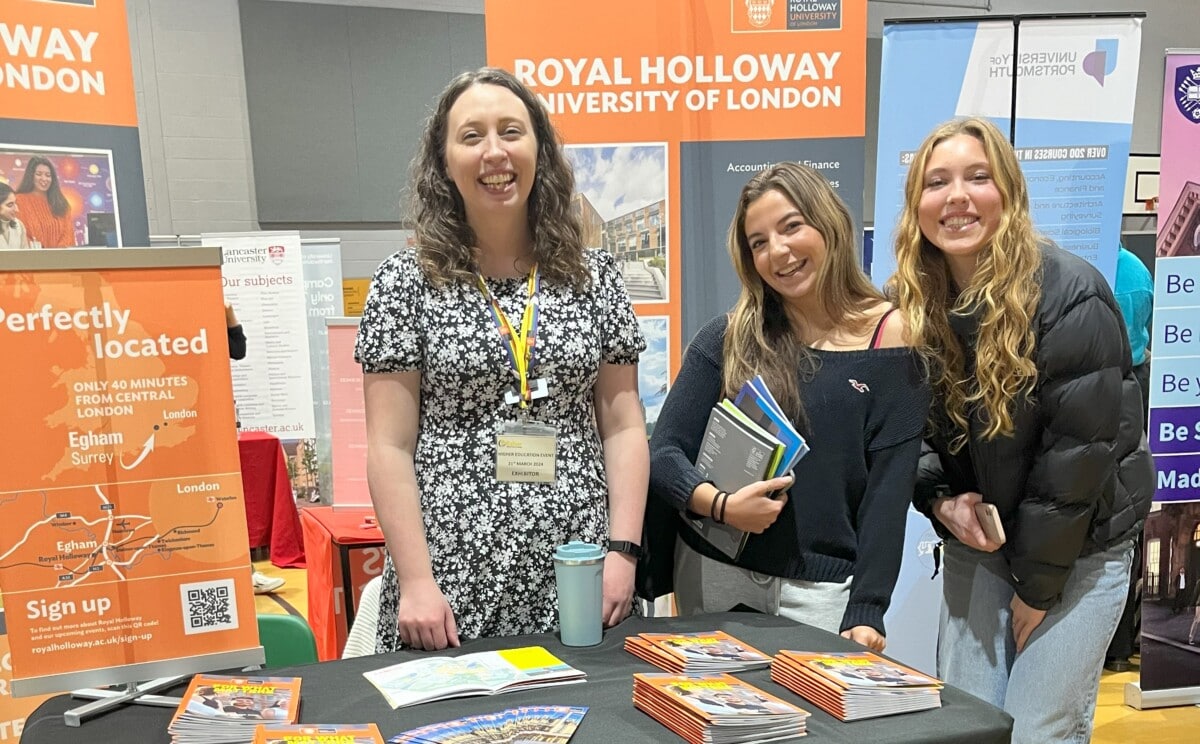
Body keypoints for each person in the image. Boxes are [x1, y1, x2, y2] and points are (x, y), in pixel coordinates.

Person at [354, 67, 648, 652]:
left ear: (539, 147)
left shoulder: (594, 278)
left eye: (512, 131)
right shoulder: (404, 283)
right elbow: (388, 445)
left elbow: (624, 424)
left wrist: (623, 552)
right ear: (443, 161)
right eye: (472, 136)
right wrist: (414, 581)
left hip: (579, 566)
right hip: (448, 577)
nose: (495, 152)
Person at [893, 117, 1153, 743]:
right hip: (980, 544)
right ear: (917, 205)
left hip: (1081, 548)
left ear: (1007, 191)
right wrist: (940, 501)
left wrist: (1037, 589)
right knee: (970, 726)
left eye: (977, 177)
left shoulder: (1072, 294)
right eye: (937, 182)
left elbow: (1078, 457)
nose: (956, 197)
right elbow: (911, 433)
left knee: (1040, 730)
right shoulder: (912, 305)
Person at [647, 162, 929, 651]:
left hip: (820, 594)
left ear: (829, 224)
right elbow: (665, 452)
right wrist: (722, 506)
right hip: (713, 573)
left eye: (792, 226)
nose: (778, 251)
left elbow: (888, 492)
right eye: (758, 242)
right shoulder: (730, 337)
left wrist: (868, 609)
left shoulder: (894, 339)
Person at [1104, 244, 1153, 672]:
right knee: (1123, 521)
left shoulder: (1108, 272)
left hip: (1114, 385)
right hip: (1135, 381)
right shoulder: (1137, 270)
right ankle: (1118, 648)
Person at [226, 299, 286, 595]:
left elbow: (239, 351)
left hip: (219, 420)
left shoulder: (213, 315)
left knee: (229, 500)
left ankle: (245, 573)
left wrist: (227, 311)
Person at [14, 156, 73, 248]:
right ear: (31, 176)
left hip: (61, 259)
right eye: (39, 174)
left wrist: (57, 256)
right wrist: (42, 254)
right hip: (32, 259)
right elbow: (21, 235)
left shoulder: (61, 203)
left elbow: (68, 235)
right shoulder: (19, 201)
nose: (44, 178)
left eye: (48, 175)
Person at [0, 183, 32, 250]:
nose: (17, 210)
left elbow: (25, 256)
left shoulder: (19, 225)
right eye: (10, 205)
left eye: (15, 203)